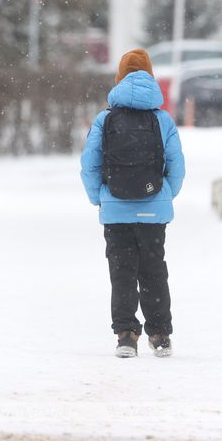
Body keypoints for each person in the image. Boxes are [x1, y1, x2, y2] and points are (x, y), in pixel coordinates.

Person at [80, 49, 186, 358]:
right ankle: (161, 335)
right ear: (151, 77)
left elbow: (90, 165)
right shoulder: (162, 120)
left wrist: (98, 198)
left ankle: (126, 335)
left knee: (122, 271)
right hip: (154, 208)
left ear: (119, 78)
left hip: (115, 210)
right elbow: (177, 167)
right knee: (154, 270)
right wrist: (164, 194)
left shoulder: (105, 119)